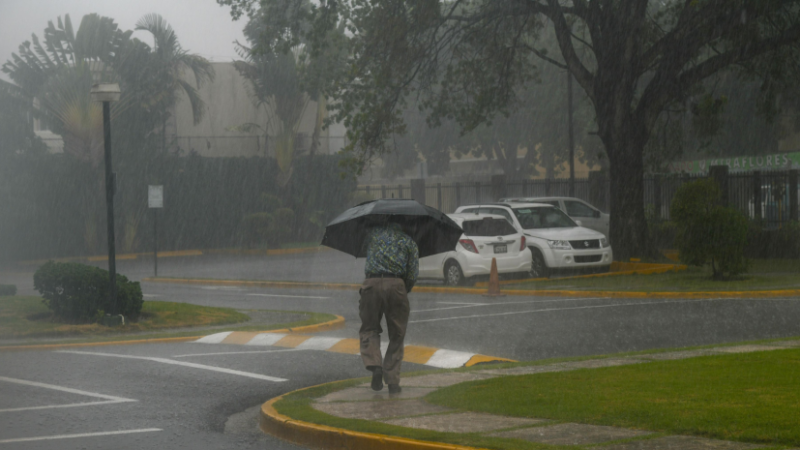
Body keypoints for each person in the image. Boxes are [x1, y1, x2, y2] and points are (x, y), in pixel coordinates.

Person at [359, 221, 419, 394]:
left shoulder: (372, 236)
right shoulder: (409, 242)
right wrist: (402, 288)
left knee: (369, 328)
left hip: (371, 283)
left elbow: (366, 254)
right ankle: (393, 381)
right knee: (397, 333)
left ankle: (374, 364)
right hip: (396, 284)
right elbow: (413, 273)